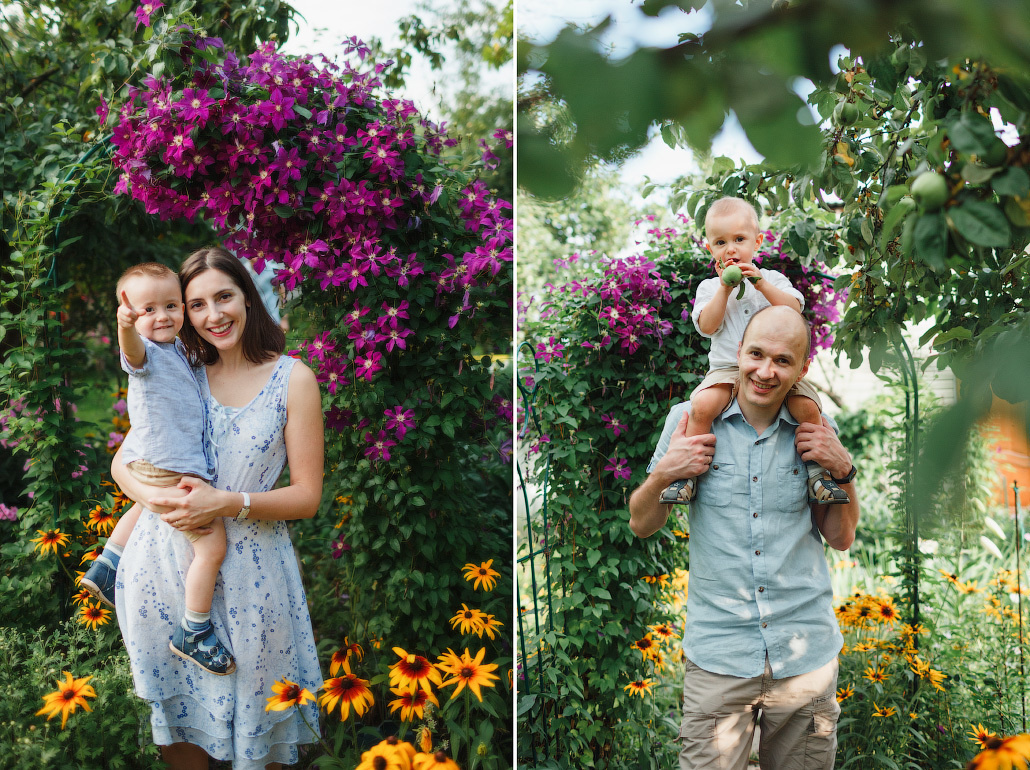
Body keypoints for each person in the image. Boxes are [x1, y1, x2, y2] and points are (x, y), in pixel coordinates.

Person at [110, 246, 325, 770]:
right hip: (165, 566)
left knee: (262, 729)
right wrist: (156, 498)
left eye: (224, 296)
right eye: (197, 303)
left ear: (247, 297)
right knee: (181, 731)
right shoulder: (178, 371)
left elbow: (308, 498)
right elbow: (123, 464)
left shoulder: (291, 380)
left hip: (255, 576)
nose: (214, 315)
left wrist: (227, 502)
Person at [628, 305, 860, 770]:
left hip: (805, 659)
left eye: (782, 360)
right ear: (738, 352)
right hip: (720, 657)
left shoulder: (814, 429)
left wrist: (844, 470)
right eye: (756, 354)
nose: (766, 371)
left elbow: (840, 536)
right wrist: (664, 475)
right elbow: (641, 522)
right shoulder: (689, 421)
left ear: (801, 369)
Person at [81, 262, 234, 676]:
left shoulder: (178, 349)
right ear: (131, 313)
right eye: (148, 309)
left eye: (171, 305)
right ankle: (194, 628)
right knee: (211, 545)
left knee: (146, 505)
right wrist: (126, 326)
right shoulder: (145, 353)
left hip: (157, 461)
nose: (162, 316)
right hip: (170, 465)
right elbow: (130, 351)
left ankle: (109, 562)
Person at [659, 197, 848, 507]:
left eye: (739, 240)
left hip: (775, 369)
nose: (730, 249)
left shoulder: (773, 280)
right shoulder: (709, 288)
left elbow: (794, 309)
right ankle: (686, 477)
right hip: (726, 370)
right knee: (703, 405)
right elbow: (707, 326)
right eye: (720, 242)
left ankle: (818, 475)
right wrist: (724, 289)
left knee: (808, 409)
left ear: (757, 242)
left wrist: (760, 284)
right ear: (710, 249)